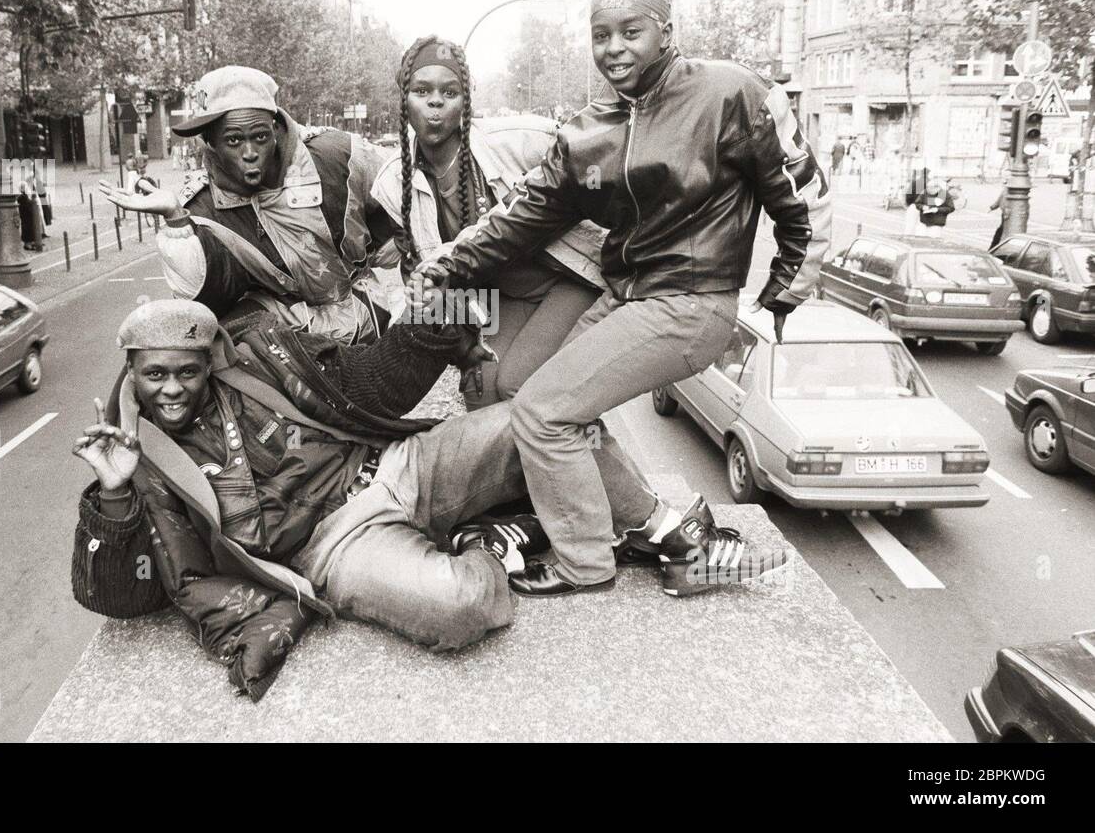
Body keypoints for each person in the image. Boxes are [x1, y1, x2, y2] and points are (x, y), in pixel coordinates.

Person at [70, 298, 788, 698]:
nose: (172, 389)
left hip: (395, 466)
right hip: (335, 547)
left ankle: (667, 535)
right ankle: (492, 547)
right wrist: (112, 496)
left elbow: (379, 365)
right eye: (155, 375)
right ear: (132, 371)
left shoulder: (262, 364)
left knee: (542, 417)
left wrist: (451, 303)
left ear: (209, 362)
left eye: (186, 372)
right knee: (461, 610)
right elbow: (119, 599)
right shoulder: (133, 459)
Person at [409, 0, 830, 597]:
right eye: (601, 35)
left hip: (691, 302)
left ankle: (585, 562)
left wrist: (789, 280)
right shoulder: (591, 130)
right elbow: (521, 216)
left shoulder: (730, 92)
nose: (613, 48)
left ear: (666, 29)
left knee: (545, 413)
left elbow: (800, 190)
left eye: (630, 31)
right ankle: (671, 534)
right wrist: (447, 262)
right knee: (528, 389)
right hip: (628, 296)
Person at [371, 35, 604, 409]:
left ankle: (580, 460)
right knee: (480, 391)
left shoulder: (518, 139)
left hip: (569, 280)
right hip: (501, 299)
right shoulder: (391, 183)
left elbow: (595, 156)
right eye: (421, 90)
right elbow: (423, 280)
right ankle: (515, 468)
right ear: (403, 99)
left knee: (518, 387)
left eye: (450, 92)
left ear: (466, 101)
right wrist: (463, 347)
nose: (435, 102)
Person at [102, 66, 396, 344]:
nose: (250, 152)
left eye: (260, 137)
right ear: (210, 142)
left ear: (276, 128)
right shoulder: (203, 209)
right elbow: (202, 302)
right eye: (233, 140)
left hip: (368, 315)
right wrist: (176, 220)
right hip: (287, 342)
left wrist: (428, 297)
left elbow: (414, 201)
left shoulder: (336, 155)